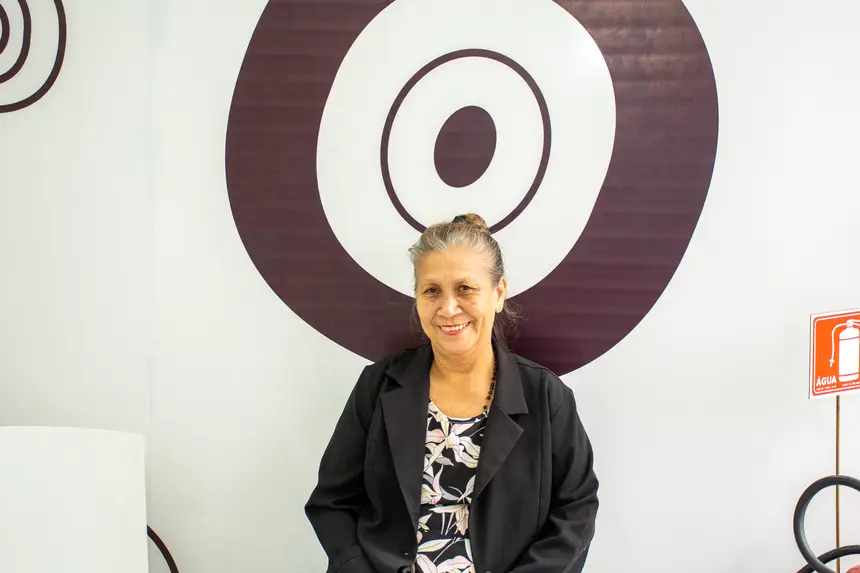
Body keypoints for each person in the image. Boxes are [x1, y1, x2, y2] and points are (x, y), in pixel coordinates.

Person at [305, 214, 599, 573]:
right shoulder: (378, 386)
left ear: (498, 293)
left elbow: (576, 509)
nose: (448, 308)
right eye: (432, 290)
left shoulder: (546, 397)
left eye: (465, 288)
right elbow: (332, 501)